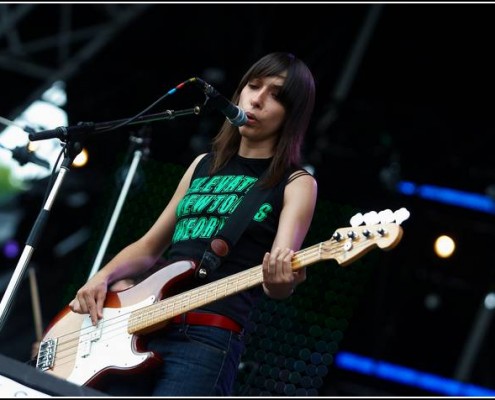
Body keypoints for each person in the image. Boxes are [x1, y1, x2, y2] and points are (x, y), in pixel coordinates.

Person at [69, 51, 318, 396]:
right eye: (254, 86)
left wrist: (282, 281)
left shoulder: (295, 183)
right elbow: (149, 246)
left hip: (207, 338)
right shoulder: (203, 165)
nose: (257, 100)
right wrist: (102, 277)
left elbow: (279, 278)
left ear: (292, 114)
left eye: (275, 95)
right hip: (143, 326)